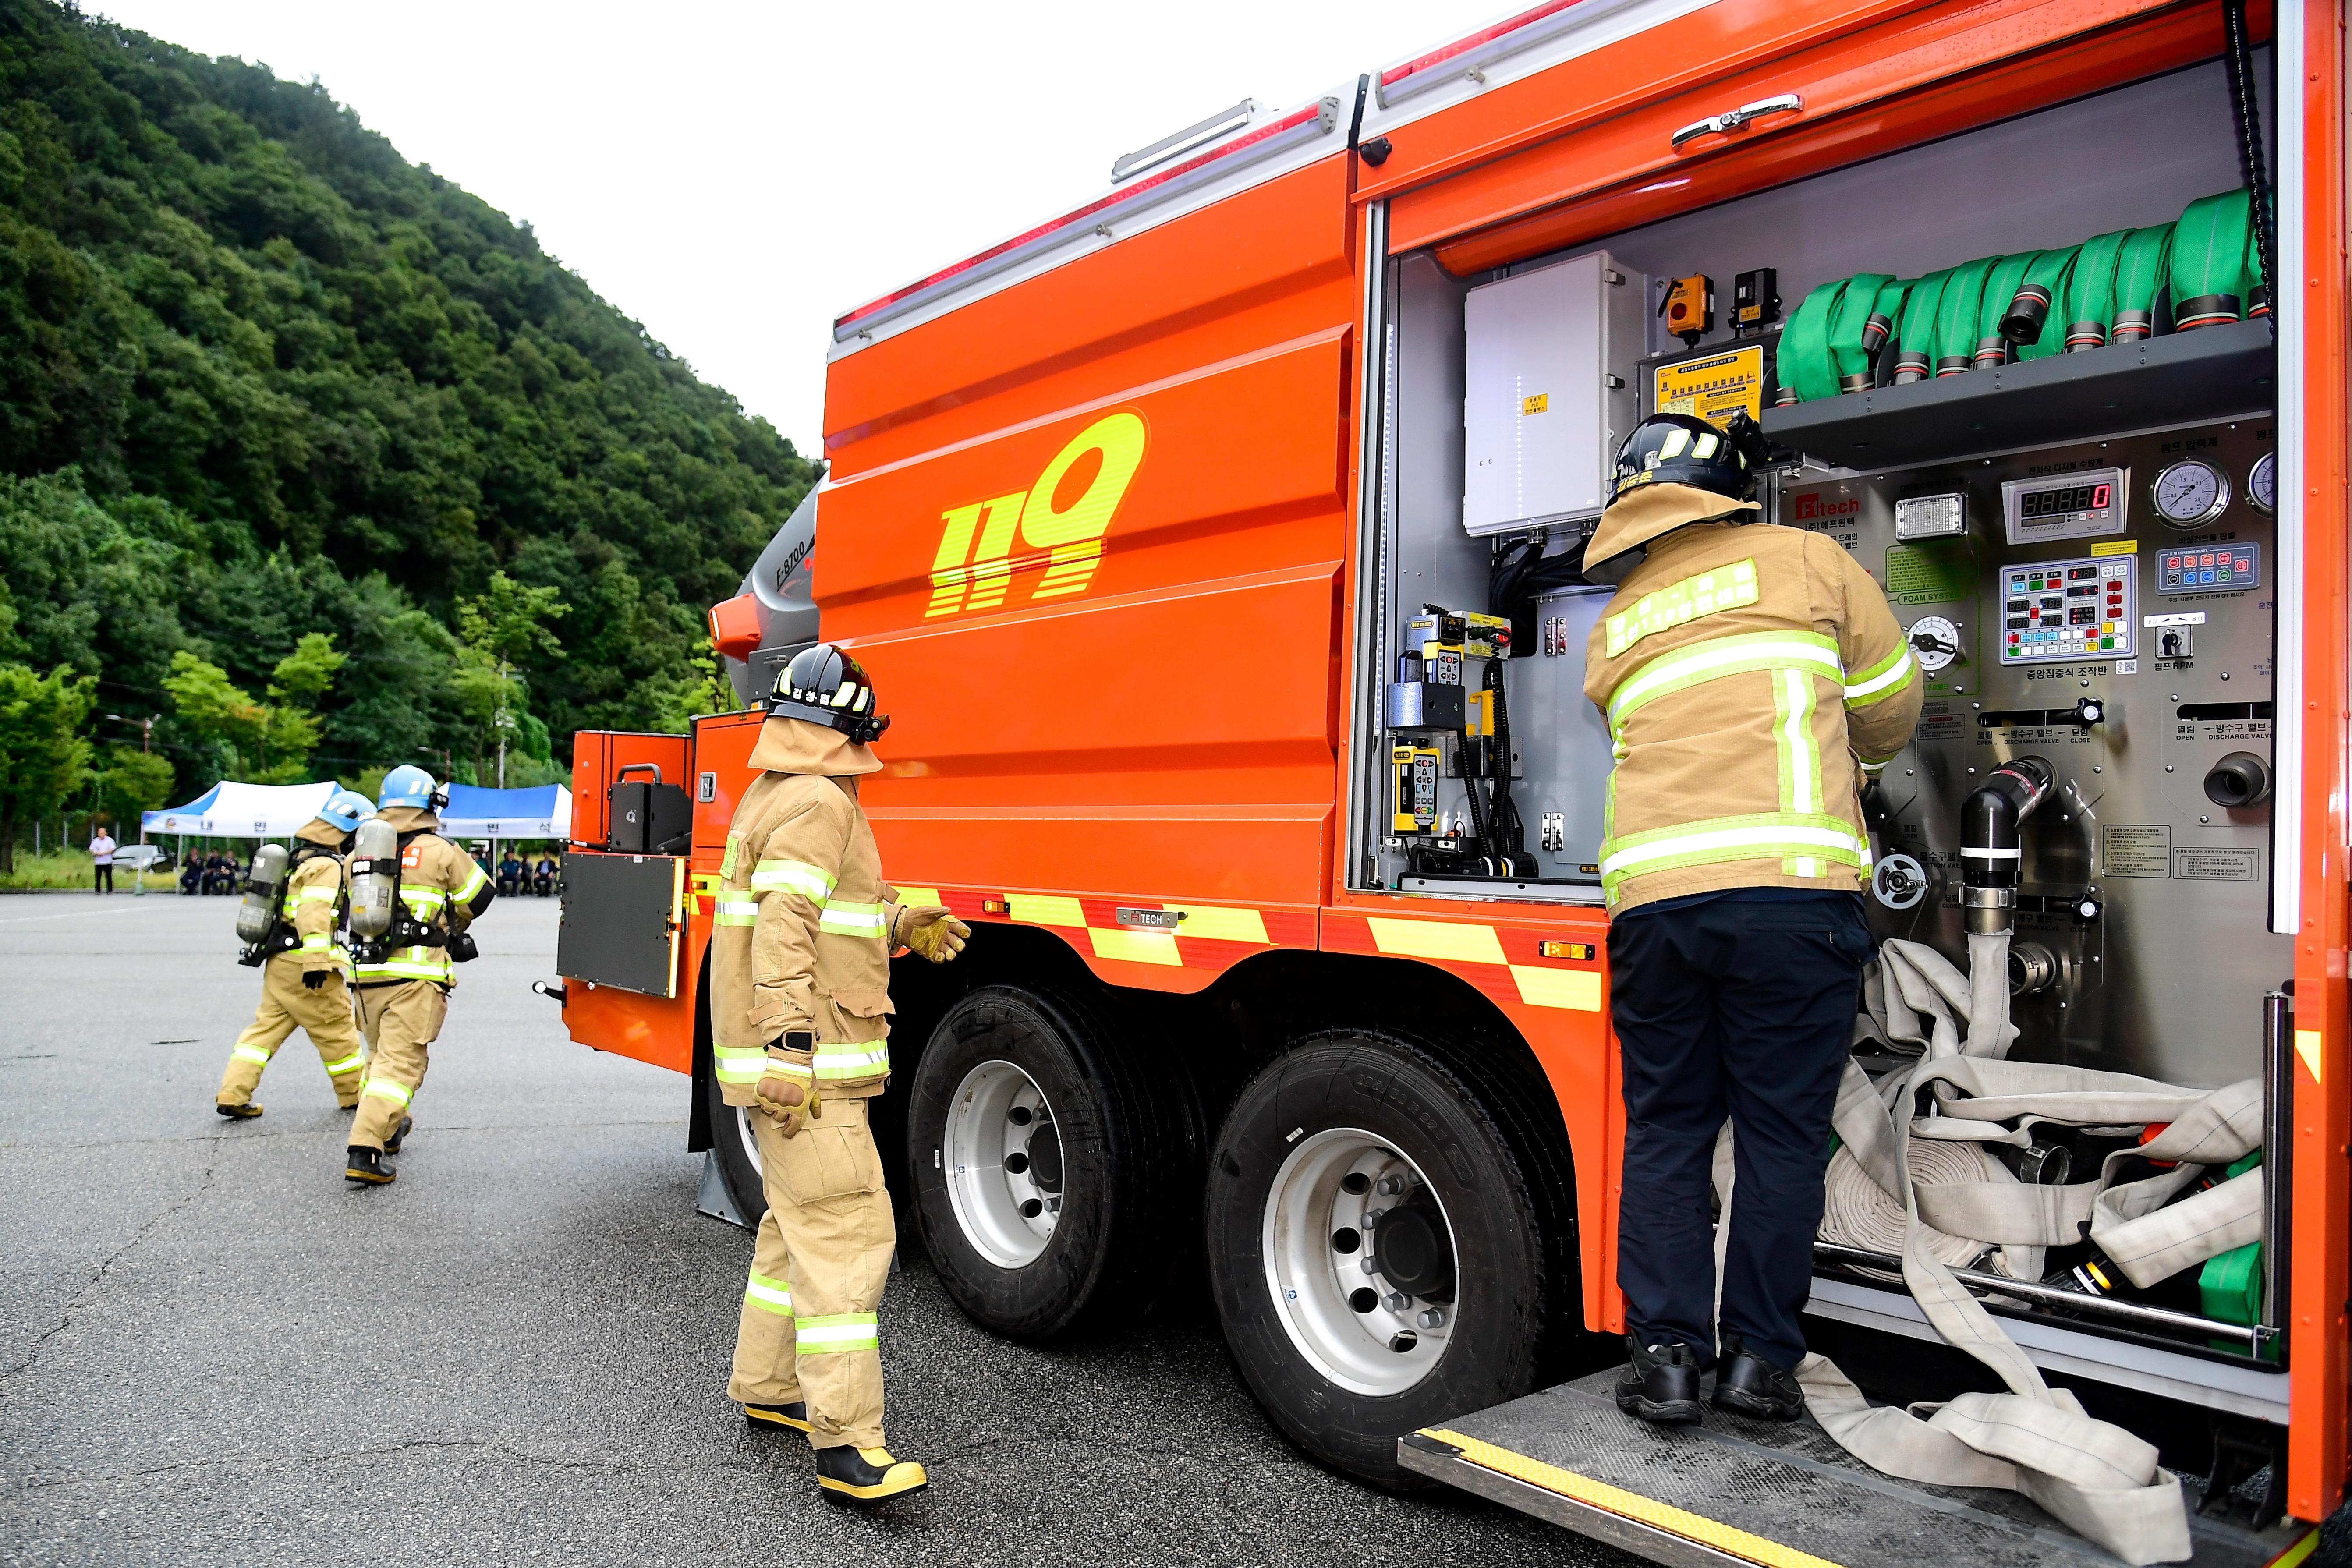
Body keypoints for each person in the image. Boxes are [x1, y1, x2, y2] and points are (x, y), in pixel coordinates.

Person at [1580, 411, 1923, 1427]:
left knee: (1669, 1131)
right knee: (1778, 1136)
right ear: (1733, 487)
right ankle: (1757, 1367)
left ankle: (1666, 1363)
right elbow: (1891, 709)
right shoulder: (1808, 563)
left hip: (1653, 914)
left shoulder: (1617, 619)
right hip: (1788, 902)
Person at [714, 643, 968, 1503]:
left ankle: (770, 1388)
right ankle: (848, 1446)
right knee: (849, 1236)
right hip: (810, 1069)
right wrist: (790, 1048)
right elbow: (786, 925)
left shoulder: (778, 792)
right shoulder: (822, 800)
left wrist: (901, 921)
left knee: (794, 1229)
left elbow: (821, 913)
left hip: (793, 1063)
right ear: (853, 726)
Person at [343, 768, 496, 1185]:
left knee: (377, 1058)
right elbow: (479, 896)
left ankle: (389, 1129)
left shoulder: (359, 854)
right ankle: (365, 1148)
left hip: (365, 974)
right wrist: (452, 920)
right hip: (415, 977)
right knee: (401, 1064)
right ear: (431, 804)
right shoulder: (439, 850)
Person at [214, 791, 376, 1118]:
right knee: (338, 1031)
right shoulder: (326, 866)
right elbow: (313, 913)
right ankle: (354, 1095)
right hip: (308, 964)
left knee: (264, 1030)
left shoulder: (297, 859)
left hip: (280, 962)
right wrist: (317, 962)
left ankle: (233, 1091)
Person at [89, 826, 116, 894]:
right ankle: (98, 890)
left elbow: (112, 849)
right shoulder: (95, 841)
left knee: (109, 877)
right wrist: (96, 853)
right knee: (98, 877)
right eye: (99, 833)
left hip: (107, 861)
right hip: (98, 862)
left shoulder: (110, 840)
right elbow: (91, 849)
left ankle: (110, 890)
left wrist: (104, 853)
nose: (100, 834)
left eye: (102, 833)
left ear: (105, 833)